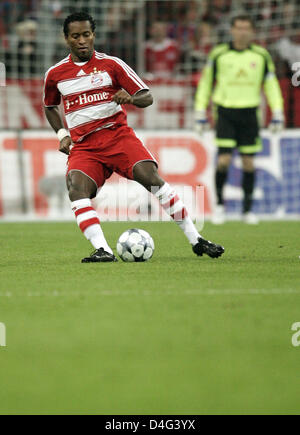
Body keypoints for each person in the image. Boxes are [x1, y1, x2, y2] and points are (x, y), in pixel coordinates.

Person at [44, 12, 224, 263]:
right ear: (66, 39)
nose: (82, 40)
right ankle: (103, 250)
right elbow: (50, 106)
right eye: (76, 36)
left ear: (93, 35)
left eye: (86, 34)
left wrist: (129, 98)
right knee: (76, 188)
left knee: (151, 178)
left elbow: (146, 96)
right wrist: (62, 134)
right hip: (85, 147)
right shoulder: (55, 74)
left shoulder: (112, 65)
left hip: (118, 137)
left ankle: (196, 239)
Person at [194, 14, 284, 224]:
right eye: (238, 28)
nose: (242, 32)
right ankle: (219, 207)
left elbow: (271, 85)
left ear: (252, 31)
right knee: (224, 160)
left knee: (249, 162)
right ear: (232, 30)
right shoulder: (219, 54)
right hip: (225, 111)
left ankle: (247, 210)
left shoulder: (261, 55)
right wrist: (199, 112)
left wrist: (277, 112)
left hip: (250, 113)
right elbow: (206, 83)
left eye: (246, 28)